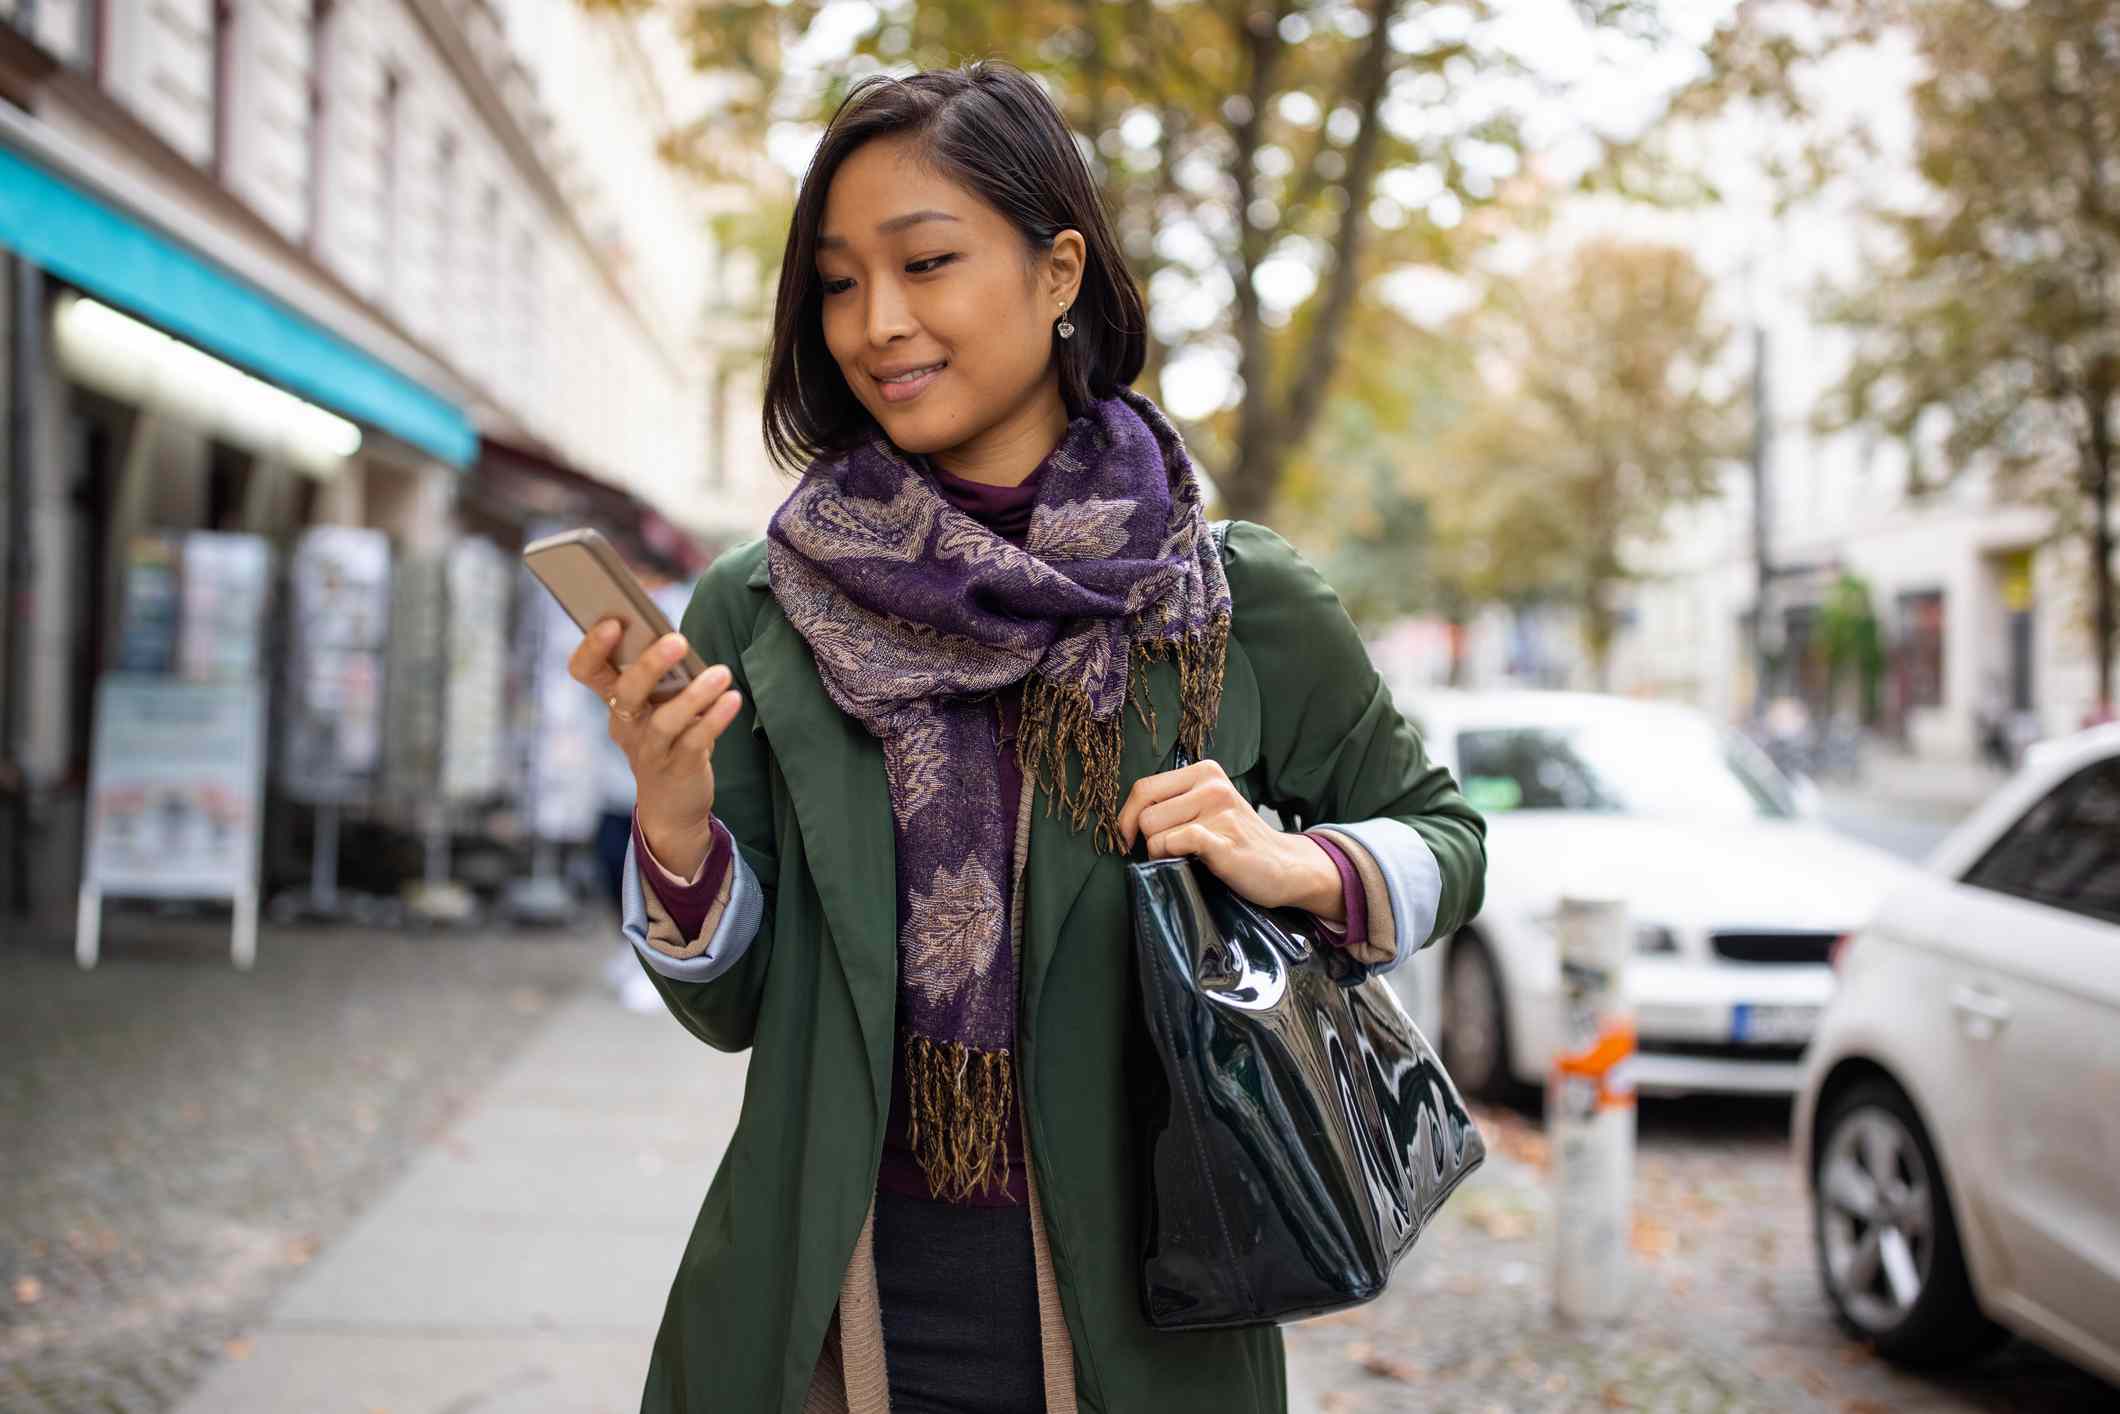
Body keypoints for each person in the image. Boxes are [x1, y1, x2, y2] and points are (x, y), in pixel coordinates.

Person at [568, 63, 1486, 1414]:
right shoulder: (758, 607)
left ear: (1060, 275)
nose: (877, 322)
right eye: (835, 283)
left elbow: (1445, 833)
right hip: (819, 1315)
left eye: (926, 263)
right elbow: (731, 1008)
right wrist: (674, 822)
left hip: (1153, 1325)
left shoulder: (1228, 600)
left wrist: (1300, 867)